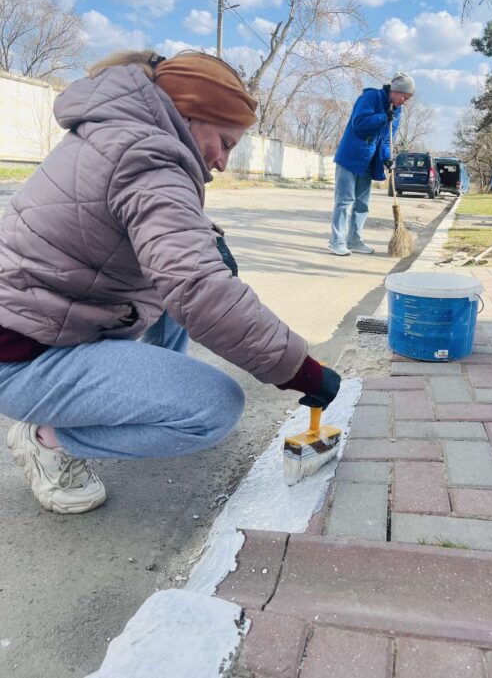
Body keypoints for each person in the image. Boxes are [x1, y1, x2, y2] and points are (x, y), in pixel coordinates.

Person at [0, 50, 341, 515]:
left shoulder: (122, 132)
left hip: (45, 322)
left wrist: (206, 239)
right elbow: (199, 290)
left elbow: (142, 234)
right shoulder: (148, 157)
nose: (222, 162)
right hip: (22, 357)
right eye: (224, 142)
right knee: (213, 408)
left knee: (172, 289)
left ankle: (139, 406)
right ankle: (47, 438)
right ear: (189, 115)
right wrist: (302, 370)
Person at [328, 72, 415, 256]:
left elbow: (387, 140)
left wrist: (387, 158)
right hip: (350, 157)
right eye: (404, 97)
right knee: (344, 201)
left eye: (407, 99)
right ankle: (337, 242)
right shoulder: (370, 97)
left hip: (369, 161)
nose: (404, 102)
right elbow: (359, 124)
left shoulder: (397, 112)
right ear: (396, 91)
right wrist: (383, 116)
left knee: (362, 204)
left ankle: (355, 240)